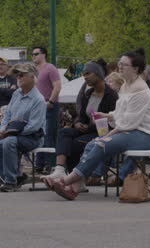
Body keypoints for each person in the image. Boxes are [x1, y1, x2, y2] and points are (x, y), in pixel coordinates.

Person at [42, 48, 150, 200]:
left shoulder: (141, 89)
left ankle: (66, 180)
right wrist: (106, 115)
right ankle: (75, 188)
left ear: (136, 68)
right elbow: (120, 114)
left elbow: (129, 123)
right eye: (120, 63)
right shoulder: (125, 86)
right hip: (130, 131)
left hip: (146, 135)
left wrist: (108, 135)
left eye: (124, 64)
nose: (120, 66)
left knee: (101, 143)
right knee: (92, 143)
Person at [40, 60, 118, 185]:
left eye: (88, 73)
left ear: (98, 74)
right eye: (84, 74)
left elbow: (114, 121)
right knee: (64, 132)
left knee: (74, 144)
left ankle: (76, 179)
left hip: (102, 133)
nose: (85, 77)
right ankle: (60, 169)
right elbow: (80, 115)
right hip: (85, 130)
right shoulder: (87, 93)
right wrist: (77, 123)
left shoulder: (112, 96)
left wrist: (90, 126)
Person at [0, 64, 46, 192]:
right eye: (17, 75)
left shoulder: (39, 100)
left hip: (32, 137)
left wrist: (10, 134)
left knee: (8, 142)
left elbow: (34, 126)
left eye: (21, 75)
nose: (18, 77)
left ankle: (11, 182)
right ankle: (14, 177)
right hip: (13, 134)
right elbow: (8, 113)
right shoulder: (16, 93)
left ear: (32, 77)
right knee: (3, 142)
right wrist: (3, 129)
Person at [32, 46, 62, 174]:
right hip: (37, 106)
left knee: (49, 134)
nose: (33, 56)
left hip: (49, 105)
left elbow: (58, 86)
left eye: (36, 54)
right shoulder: (33, 71)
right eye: (32, 54)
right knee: (38, 134)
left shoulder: (50, 68)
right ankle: (39, 164)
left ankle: (50, 164)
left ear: (44, 54)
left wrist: (51, 101)